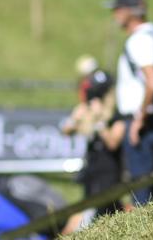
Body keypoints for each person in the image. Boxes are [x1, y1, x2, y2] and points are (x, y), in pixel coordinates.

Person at [105, 0, 153, 205]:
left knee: (143, 191)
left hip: (142, 123)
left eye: (117, 9)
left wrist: (138, 119)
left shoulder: (140, 40)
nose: (114, 15)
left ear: (128, 12)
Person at [60, 68, 126, 216]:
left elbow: (113, 143)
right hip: (92, 172)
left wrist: (99, 121)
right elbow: (66, 131)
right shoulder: (89, 111)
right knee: (89, 213)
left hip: (109, 175)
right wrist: (75, 119)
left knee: (110, 212)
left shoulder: (116, 117)